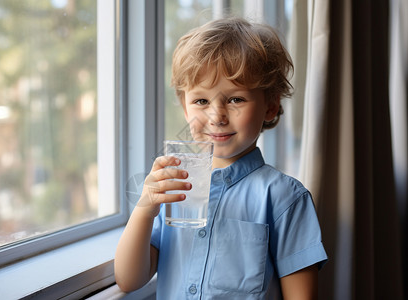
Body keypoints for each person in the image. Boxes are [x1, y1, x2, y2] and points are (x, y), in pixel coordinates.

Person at [115, 17, 327, 299]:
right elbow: (129, 280)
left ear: (271, 106)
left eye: (235, 99)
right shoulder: (174, 189)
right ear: (185, 108)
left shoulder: (285, 198)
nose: (217, 116)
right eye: (201, 101)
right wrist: (144, 208)